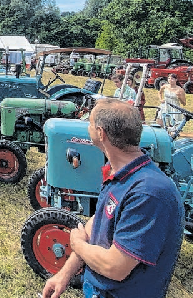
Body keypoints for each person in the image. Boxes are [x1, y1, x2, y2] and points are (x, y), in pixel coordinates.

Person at [42, 98, 184, 298]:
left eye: (89, 123)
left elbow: (115, 267)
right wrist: (64, 274)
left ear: (101, 133)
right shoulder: (119, 174)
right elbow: (94, 227)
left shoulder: (148, 192)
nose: (87, 128)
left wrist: (77, 245)